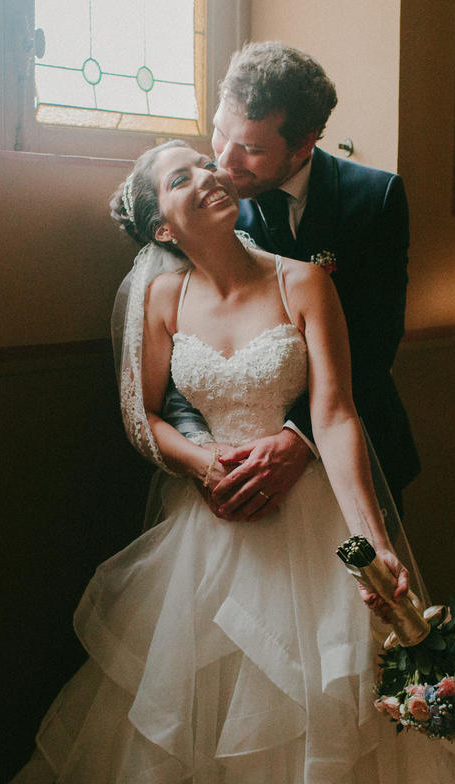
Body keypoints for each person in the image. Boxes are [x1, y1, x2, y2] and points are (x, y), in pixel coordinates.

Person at [7, 141, 455, 784]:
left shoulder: (304, 282)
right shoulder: (162, 300)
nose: (207, 174)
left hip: (312, 523)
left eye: (206, 164)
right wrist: (208, 466)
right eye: (182, 177)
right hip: (208, 524)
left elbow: (338, 415)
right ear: (161, 226)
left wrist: (373, 545)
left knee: (323, 718)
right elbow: (144, 417)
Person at [162, 42, 421, 523]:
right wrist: (206, 458)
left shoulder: (375, 200)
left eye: (252, 149)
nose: (224, 162)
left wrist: (298, 439)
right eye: (221, 134)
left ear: (304, 144)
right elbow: (178, 345)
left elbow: (374, 343)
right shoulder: (201, 208)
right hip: (235, 476)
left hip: (358, 456)